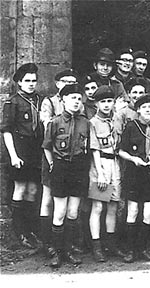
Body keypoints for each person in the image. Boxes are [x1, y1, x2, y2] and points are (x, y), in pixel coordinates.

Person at [42, 84, 91, 267]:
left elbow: (88, 147)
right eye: (72, 98)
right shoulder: (55, 122)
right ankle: (57, 251)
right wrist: (54, 164)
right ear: (63, 101)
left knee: (72, 212)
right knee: (60, 211)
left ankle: (69, 250)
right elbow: (47, 146)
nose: (76, 102)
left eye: (79, 98)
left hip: (78, 168)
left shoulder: (85, 122)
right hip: (60, 168)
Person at [118, 93, 150, 263]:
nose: (147, 110)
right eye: (144, 107)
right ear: (138, 110)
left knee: (149, 212)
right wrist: (134, 159)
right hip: (134, 173)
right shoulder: (131, 126)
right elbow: (121, 150)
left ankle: (143, 248)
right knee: (133, 210)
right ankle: (130, 250)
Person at [2, 63, 44, 250]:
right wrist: (13, 155)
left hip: (36, 149)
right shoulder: (13, 102)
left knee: (33, 190)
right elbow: (7, 131)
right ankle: (19, 232)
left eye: (34, 80)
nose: (31, 84)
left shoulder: (40, 100)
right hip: (20, 148)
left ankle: (30, 229)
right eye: (27, 80)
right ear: (19, 82)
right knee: (20, 189)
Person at [38, 68, 80, 255]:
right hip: (54, 157)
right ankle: (48, 243)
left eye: (73, 81)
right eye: (66, 81)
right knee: (49, 201)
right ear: (57, 83)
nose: (69, 84)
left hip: (73, 161)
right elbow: (47, 125)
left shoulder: (78, 104)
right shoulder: (50, 102)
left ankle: (66, 245)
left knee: (70, 206)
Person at [87, 86, 126, 262]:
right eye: (103, 101)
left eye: (109, 101)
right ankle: (97, 246)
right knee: (98, 206)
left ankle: (111, 244)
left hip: (115, 164)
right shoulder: (93, 123)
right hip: (100, 165)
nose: (106, 105)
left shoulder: (116, 121)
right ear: (96, 103)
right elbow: (94, 149)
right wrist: (101, 174)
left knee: (113, 206)